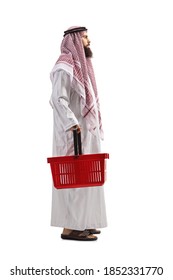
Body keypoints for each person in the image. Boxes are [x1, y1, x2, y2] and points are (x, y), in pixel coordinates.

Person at [49, 26, 107, 241]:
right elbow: (58, 99)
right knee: (73, 178)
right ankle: (70, 227)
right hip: (72, 132)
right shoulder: (65, 66)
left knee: (86, 177)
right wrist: (73, 123)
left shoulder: (80, 66)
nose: (88, 40)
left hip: (83, 132)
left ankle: (83, 221)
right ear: (73, 39)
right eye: (84, 37)